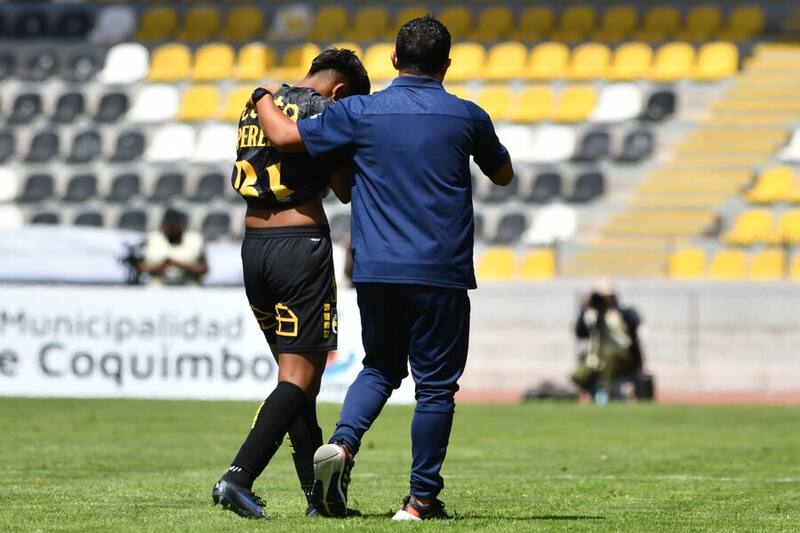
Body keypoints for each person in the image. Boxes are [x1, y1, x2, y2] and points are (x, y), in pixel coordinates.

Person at [254, 16, 513, 521]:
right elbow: (502, 175)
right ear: (447, 64)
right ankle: (419, 501)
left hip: (376, 268)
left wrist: (261, 95)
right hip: (441, 269)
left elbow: (285, 138)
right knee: (435, 386)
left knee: (380, 366)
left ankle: (343, 445)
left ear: (394, 60)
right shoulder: (467, 116)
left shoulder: (360, 112)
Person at [210, 48, 371, 520]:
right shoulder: (326, 110)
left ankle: (317, 500)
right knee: (299, 378)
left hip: (252, 248)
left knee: (301, 379)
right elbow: (343, 188)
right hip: (299, 247)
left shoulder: (257, 104)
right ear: (340, 90)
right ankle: (238, 477)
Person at [571, 282, 644, 401]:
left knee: (608, 354)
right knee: (577, 375)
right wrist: (585, 308)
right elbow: (580, 332)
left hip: (622, 355)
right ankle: (594, 394)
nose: (604, 300)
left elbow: (634, 325)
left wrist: (615, 308)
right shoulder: (592, 314)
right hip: (596, 356)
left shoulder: (623, 311)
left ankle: (608, 394)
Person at [137, 207, 208, 285]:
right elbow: (141, 267)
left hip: (188, 287)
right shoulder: (153, 239)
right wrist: (163, 265)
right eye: (169, 224)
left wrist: (180, 265)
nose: (172, 227)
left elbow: (204, 269)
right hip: (158, 288)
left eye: (175, 224)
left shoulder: (194, 240)